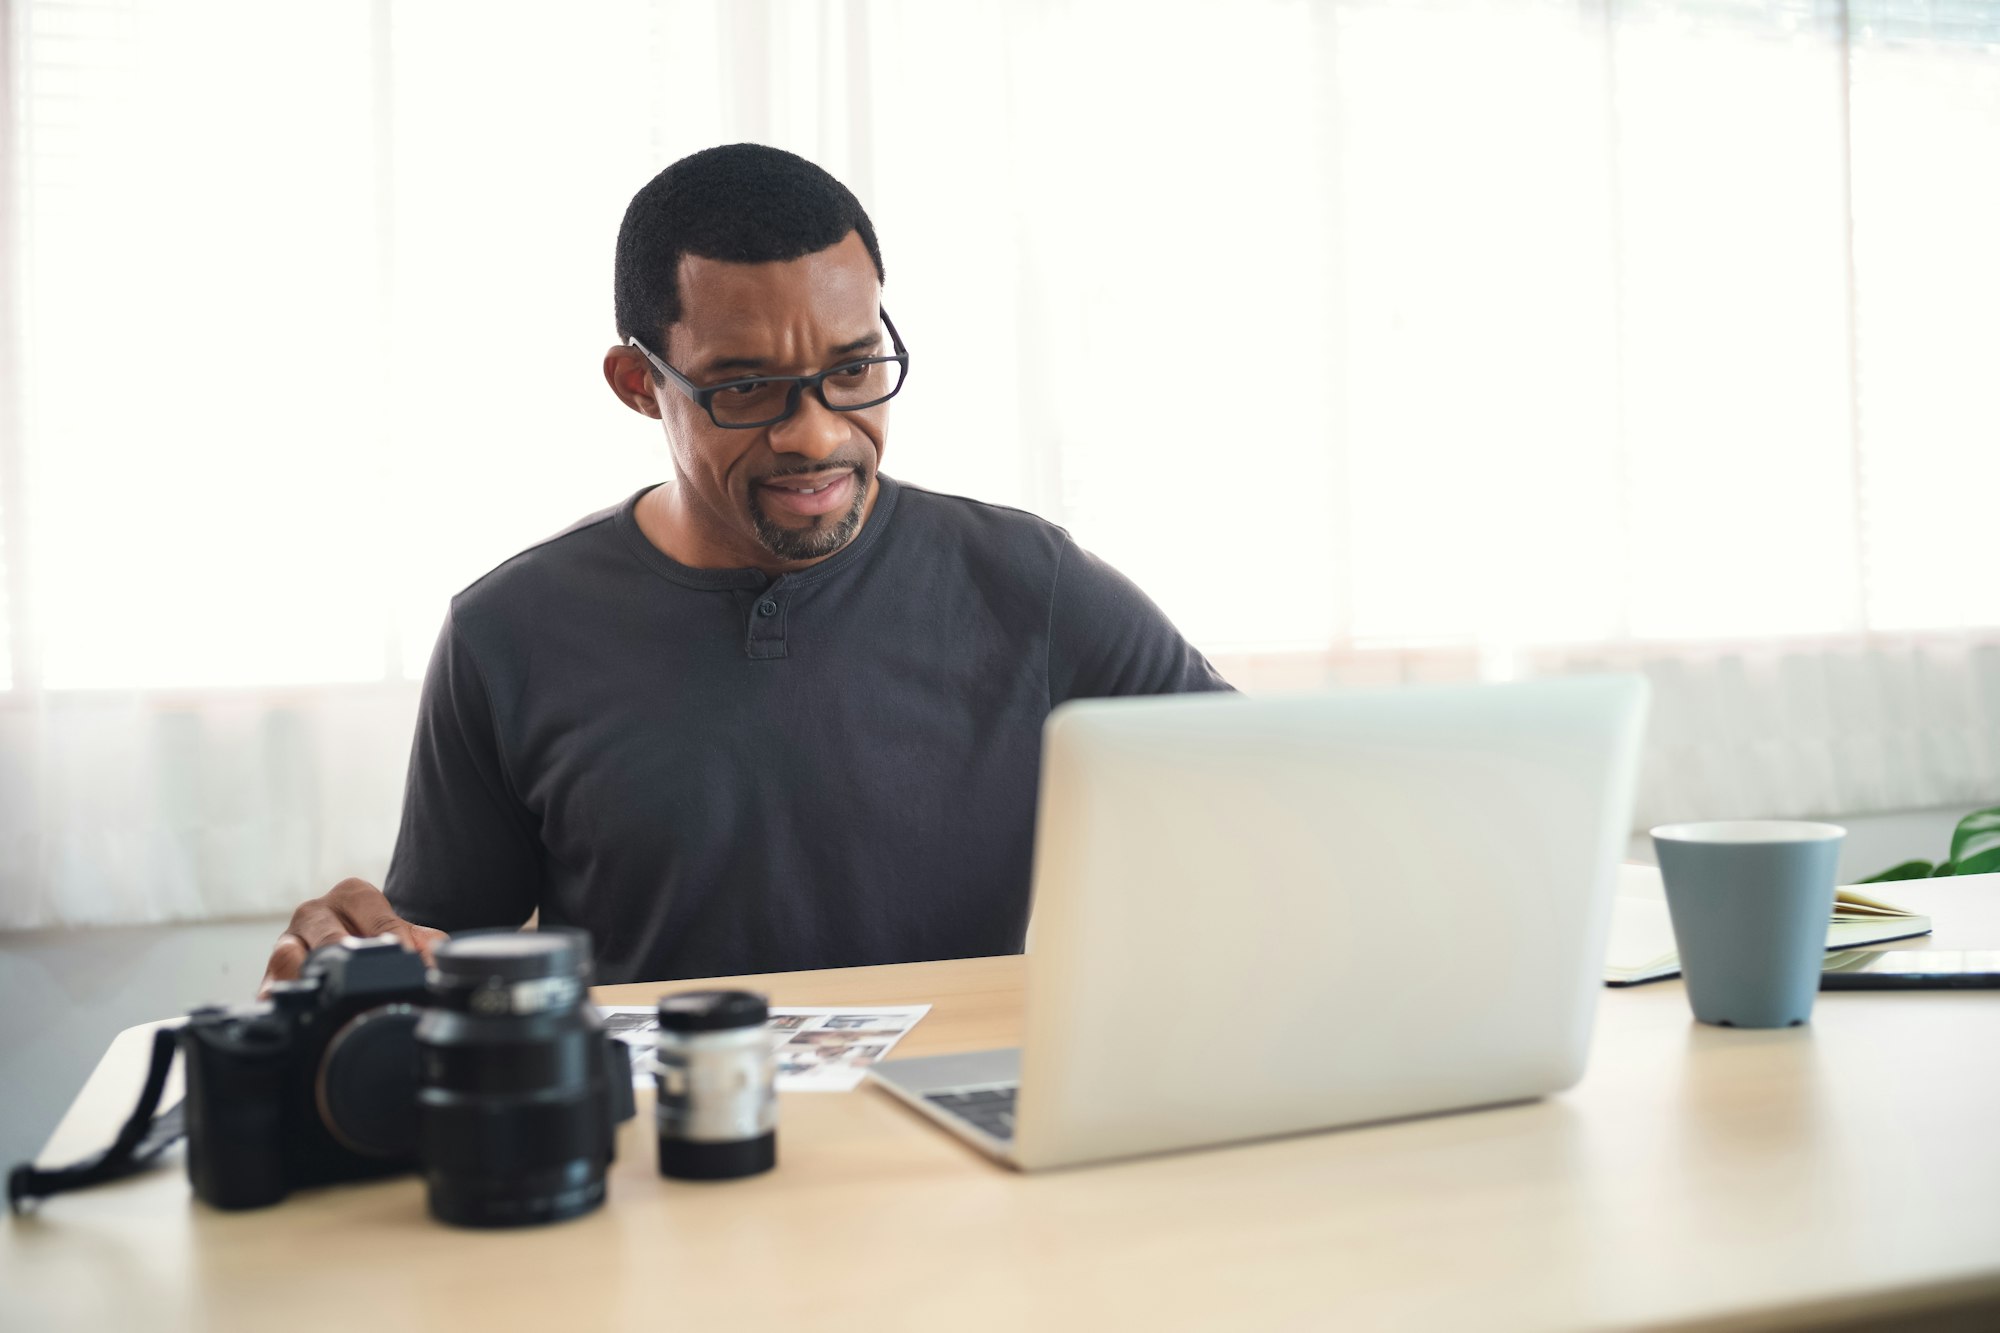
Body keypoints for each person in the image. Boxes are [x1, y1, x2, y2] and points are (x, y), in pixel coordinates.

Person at [261, 143, 1228, 989]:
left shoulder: (1029, 583)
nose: (817, 435)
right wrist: (357, 964)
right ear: (640, 384)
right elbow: (439, 963)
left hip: (955, 1159)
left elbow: (1273, 800)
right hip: (653, 1162)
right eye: (749, 387)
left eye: (854, 370)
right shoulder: (506, 632)